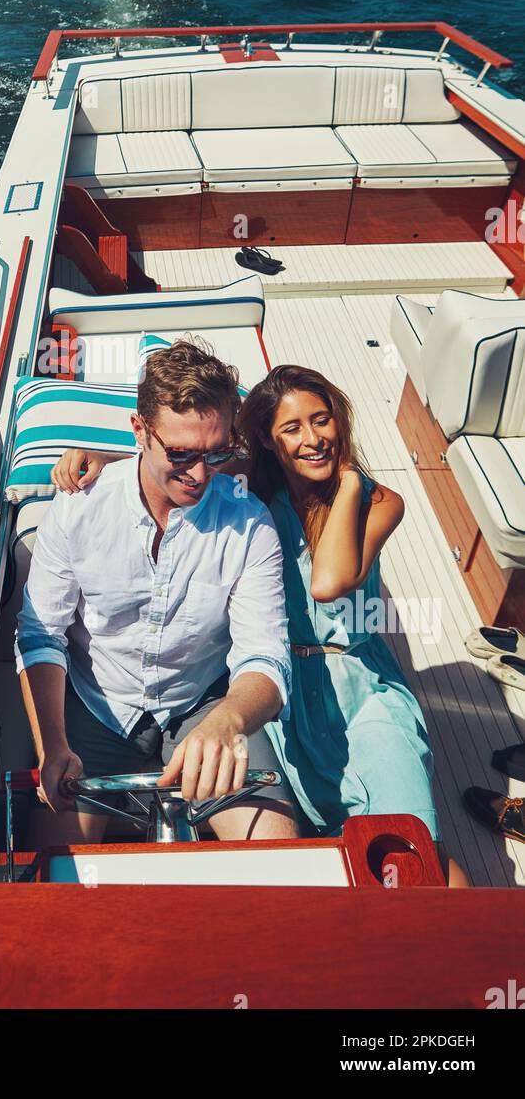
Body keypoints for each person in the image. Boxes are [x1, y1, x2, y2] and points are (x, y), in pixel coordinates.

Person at [53, 358, 468, 886]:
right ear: (269, 442)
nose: (313, 439)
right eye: (291, 428)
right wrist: (99, 458)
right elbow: (172, 463)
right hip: (284, 696)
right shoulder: (253, 485)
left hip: (358, 689)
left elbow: (329, 582)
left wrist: (344, 484)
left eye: (322, 420)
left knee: (406, 843)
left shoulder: (378, 502)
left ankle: (477, 955)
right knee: (332, 838)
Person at [14, 340, 299, 849]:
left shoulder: (251, 524)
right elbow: (42, 634)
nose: (200, 474)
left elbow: (266, 656)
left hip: (206, 703)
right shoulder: (77, 507)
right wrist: (52, 745)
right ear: (140, 432)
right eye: (183, 454)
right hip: (95, 704)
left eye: (217, 453)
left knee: (277, 853)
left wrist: (229, 719)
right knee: (51, 876)